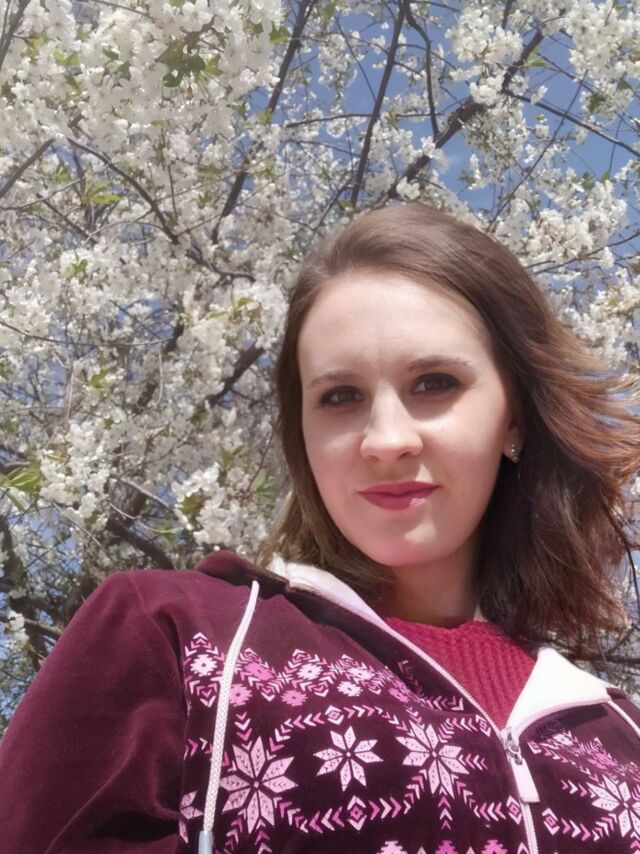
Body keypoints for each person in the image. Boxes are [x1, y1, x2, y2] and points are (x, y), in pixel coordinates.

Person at [1, 203, 639, 854]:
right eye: (340, 397)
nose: (385, 440)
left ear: (515, 418)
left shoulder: (617, 730)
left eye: (434, 383)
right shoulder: (174, 634)